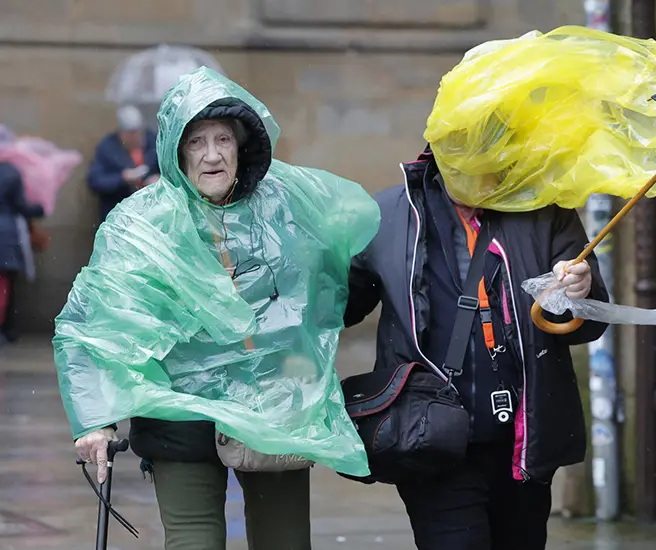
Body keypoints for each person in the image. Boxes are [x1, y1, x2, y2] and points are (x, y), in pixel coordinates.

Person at [65, 70, 377, 550]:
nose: (212, 154)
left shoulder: (285, 205)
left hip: (276, 410)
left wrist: (306, 372)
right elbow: (99, 322)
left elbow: (328, 291)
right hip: (180, 419)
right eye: (196, 142)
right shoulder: (140, 224)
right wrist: (96, 419)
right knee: (194, 542)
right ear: (176, 150)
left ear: (241, 147)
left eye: (223, 140)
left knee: (285, 541)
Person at [343, 146, 610, 550]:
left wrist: (577, 292)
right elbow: (338, 306)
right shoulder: (388, 215)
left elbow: (585, 325)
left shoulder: (544, 210)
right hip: (430, 437)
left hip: (524, 442)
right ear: (437, 148)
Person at [87, 104, 160, 222]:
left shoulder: (154, 142)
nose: (136, 137)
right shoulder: (107, 148)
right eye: (131, 133)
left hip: (152, 212)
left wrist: (160, 180)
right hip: (120, 213)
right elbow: (95, 181)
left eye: (138, 132)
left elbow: (173, 169)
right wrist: (122, 178)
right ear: (121, 133)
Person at [0, 161, 43, 344]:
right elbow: (21, 206)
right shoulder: (10, 171)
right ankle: (5, 330)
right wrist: (39, 208)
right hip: (6, 235)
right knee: (5, 286)